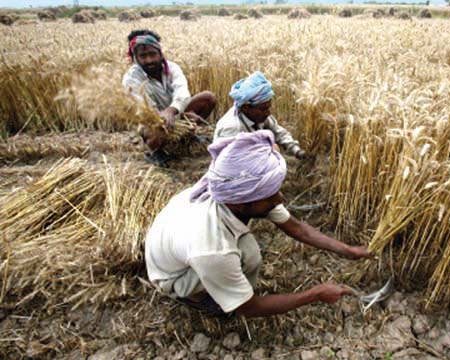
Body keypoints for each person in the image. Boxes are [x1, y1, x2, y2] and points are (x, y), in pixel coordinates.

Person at [145, 130, 369, 317]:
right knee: (244, 259)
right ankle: (197, 297)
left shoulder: (235, 192)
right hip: (173, 276)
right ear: (241, 204)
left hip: (176, 248)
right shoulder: (212, 248)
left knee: (249, 252)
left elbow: (297, 228)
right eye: (271, 196)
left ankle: (226, 287)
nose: (279, 199)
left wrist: (349, 251)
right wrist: (315, 294)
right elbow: (249, 308)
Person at [122, 29, 217, 166]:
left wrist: (173, 111)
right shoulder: (131, 78)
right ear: (135, 58)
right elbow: (145, 109)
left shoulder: (172, 68)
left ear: (160, 53)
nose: (149, 60)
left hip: (175, 112)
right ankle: (155, 151)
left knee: (208, 98)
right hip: (153, 120)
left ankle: (188, 136)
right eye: (143, 56)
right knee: (155, 130)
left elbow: (182, 91)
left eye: (152, 54)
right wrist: (163, 117)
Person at [213, 71, 307, 159]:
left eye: (268, 108)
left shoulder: (259, 115)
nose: (268, 113)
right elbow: (228, 162)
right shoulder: (232, 128)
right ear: (246, 108)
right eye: (264, 109)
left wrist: (296, 150)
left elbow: (279, 132)